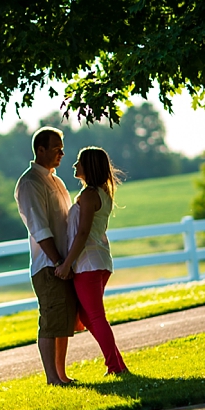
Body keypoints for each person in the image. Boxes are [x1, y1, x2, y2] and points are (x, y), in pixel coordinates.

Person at [55, 146, 128, 375]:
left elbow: (83, 232)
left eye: (79, 161)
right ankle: (117, 363)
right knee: (88, 316)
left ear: (89, 166)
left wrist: (67, 263)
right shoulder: (102, 194)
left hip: (88, 263)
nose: (75, 165)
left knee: (95, 316)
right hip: (99, 260)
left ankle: (115, 367)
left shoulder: (89, 195)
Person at [15, 126, 77, 385]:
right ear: (40, 150)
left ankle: (61, 374)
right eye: (56, 148)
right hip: (48, 265)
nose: (62, 153)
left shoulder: (56, 180)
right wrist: (58, 261)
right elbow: (40, 228)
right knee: (51, 321)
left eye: (62, 148)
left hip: (62, 263)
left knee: (63, 322)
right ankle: (52, 378)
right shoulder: (30, 183)